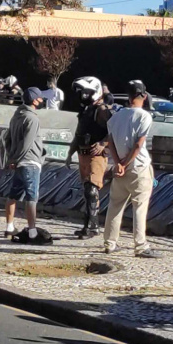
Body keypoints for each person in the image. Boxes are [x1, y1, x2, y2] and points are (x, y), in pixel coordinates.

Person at [103, 80, 161, 258]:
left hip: (119, 167)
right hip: (138, 167)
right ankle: (140, 245)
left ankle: (109, 243)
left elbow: (110, 141)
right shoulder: (144, 117)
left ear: (128, 96)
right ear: (143, 96)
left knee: (115, 205)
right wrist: (126, 163)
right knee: (139, 206)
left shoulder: (116, 117)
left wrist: (118, 163)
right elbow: (138, 145)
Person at [4, 87, 55, 244]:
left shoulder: (16, 116)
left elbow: (7, 139)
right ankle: (32, 232)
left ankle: (9, 227)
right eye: (40, 98)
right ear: (34, 101)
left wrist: (11, 158)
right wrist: (17, 158)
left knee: (13, 195)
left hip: (18, 162)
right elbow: (28, 142)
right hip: (30, 161)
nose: (41, 100)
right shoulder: (32, 119)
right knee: (31, 197)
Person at [66, 77, 114, 239]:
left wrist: (103, 143)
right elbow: (79, 133)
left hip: (96, 156)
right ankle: (87, 224)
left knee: (92, 190)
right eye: (82, 92)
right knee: (87, 190)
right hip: (83, 153)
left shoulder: (101, 110)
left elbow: (114, 130)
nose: (84, 95)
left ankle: (93, 226)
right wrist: (70, 152)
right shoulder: (87, 110)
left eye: (87, 92)